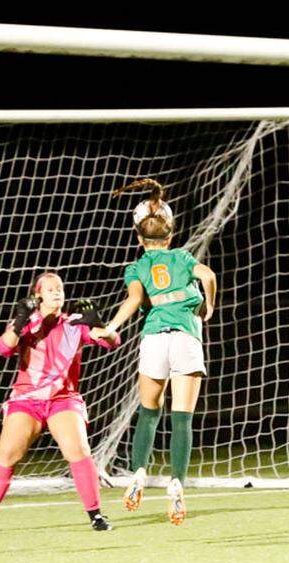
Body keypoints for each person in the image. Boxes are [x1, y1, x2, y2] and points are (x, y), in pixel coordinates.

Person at [91, 178, 217, 525]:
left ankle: (138, 474)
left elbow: (133, 300)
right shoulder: (182, 256)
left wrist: (111, 328)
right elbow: (207, 275)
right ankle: (176, 485)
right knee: (182, 419)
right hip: (185, 338)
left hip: (154, 339)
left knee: (149, 412)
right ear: (171, 234)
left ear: (138, 238)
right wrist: (208, 306)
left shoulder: (136, 267)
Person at [0, 271, 121, 533]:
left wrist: (99, 323)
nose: (56, 291)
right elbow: (3, 348)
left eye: (59, 287)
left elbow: (112, 342)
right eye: (49, 288)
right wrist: (18, 321)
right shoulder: (28, 322)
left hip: (63, 399)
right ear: (37, 295)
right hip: (27, 400)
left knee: (78, 451)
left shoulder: (75, 323)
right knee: (7, 455)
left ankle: (96, 515)